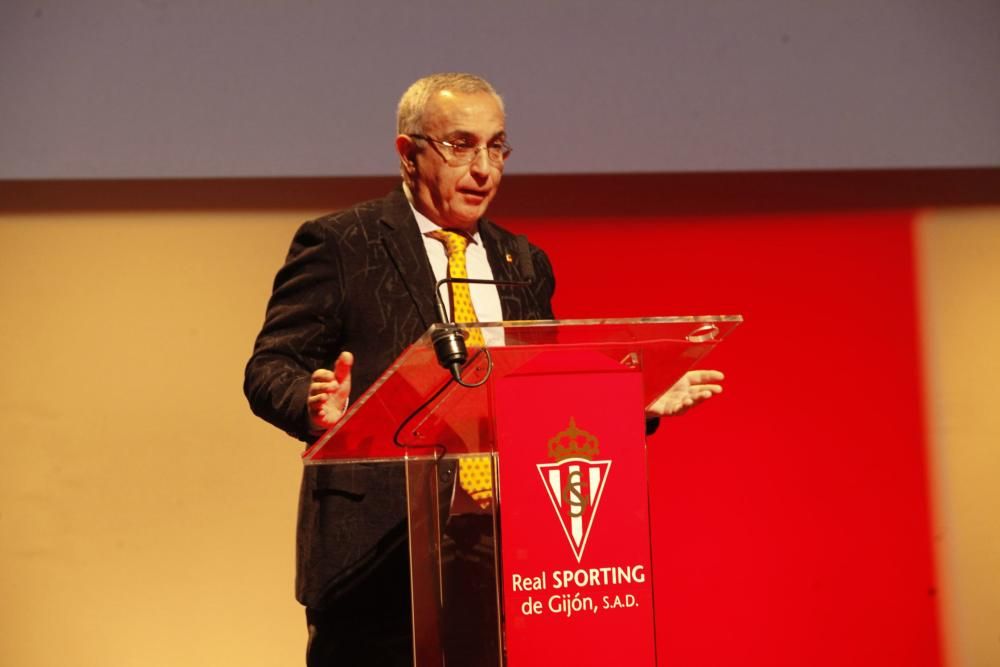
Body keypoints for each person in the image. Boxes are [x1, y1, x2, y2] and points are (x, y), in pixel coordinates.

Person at [244, 72, 723, 666]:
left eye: (496, 147)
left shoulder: (522, 261)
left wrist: (631, 403)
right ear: (408, 153)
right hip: (374, 562)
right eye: (460, 145)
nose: (483, 168)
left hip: (500, 556)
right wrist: (315, 407)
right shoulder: (343, 243)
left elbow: (543, 398)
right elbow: (269, 366)